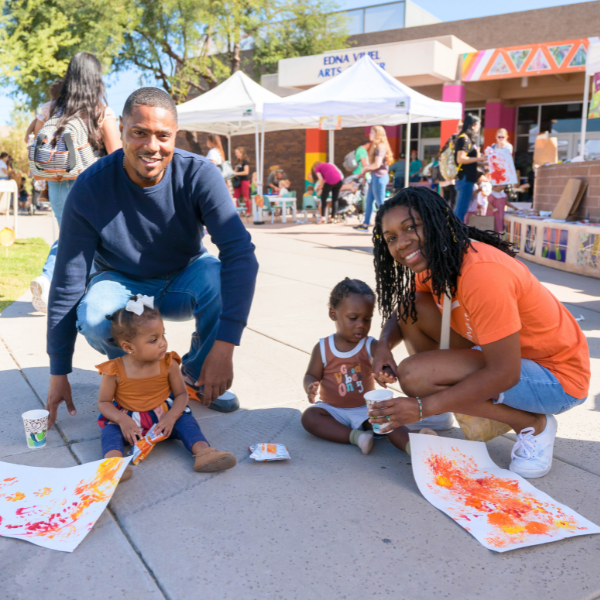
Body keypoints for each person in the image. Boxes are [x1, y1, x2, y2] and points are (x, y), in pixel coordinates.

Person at [45, 87, 259, 428]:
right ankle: (135, 380)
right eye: (139, 133)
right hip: (120, 280)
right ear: (121, 129)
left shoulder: (199, 174)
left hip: (184, 275)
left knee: (219, 280)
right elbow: (68, 280)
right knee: (96, 315)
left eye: (163, 135)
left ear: (175, 135)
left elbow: (240, 255)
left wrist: (224, 346)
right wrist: (58, 370)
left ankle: (192, 375)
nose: (152, 146)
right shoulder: (90, 188)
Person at [369, 187, 590, 478]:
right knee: (414, 304)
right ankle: (438, 403)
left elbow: (504, 373)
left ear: (436, 221)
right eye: (392, 238)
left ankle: (534, 425)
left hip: (556, 377)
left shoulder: (482, 272)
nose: (402, 243)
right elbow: (405, 311)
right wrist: (383, 344)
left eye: (411, 227)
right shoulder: (434, 261)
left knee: (414, 375)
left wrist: (421, 407)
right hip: (501, 356)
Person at [97, 298, 236, 481]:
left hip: (163, 415)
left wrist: (171, 417)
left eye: (163, 335)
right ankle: (113, 464)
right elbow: (104, 402)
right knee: (110, 431)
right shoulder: (114, 370)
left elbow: (181, 394)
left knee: (186, 422)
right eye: (153, 340)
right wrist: (122, 419)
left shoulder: (169, 364)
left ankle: (203, 452)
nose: (163, 343)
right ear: (128, 347)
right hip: (129, 419)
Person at [29, 52, 121, 314]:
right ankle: (48, 279)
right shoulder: (100, 112)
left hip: (56, 184)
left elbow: (39, 144)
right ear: (95, 78)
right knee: (79, 238)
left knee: (72, 236)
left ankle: (75, 289)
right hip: (89, 184)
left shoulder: (50, 109)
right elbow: (117, 157)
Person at [354, 125, 394, 231]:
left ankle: (387, 226)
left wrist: (366, 168)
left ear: (377, 134)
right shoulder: (379, 146)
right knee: (369, 201)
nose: (369, 134)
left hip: (380, 177)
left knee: (380, 203)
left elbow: (377, 164)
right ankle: (365, 224)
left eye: (372, 132)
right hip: (376, 177)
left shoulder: (381, 146)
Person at [454, 114, 487, 223]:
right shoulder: (464, 139)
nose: (479, 128)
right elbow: (461, 159)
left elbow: (469, 162)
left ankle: (455, 235)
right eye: (479, 125)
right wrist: (479, 158)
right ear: (473, 125)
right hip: (465, 178)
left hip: (466, 178)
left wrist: (483, 163)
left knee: (461, 210)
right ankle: (455, 237)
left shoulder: (466, 139)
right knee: (460, 211)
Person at [233, 146, 251, 214]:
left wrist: (237, 173)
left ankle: (248, 212)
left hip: (244, 181)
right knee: (235, 197)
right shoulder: (237, 162)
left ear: (241, 153)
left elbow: (246, 172)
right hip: (238, 182)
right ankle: (235, 212)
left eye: (237, 153)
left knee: (245, 197)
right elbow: (235, 171)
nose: (236, 154)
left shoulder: (245, 161)